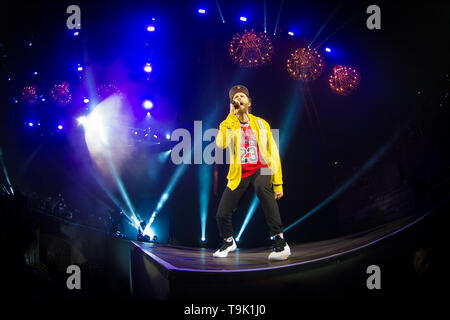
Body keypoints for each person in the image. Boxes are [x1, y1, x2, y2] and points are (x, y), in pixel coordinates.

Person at [213, 85, 290, 261]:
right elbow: (220, 145)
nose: (239, 99)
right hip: (239, 172)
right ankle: (228, 241)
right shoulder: (228, 124)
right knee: (222, 214)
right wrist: (230, 118)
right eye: (235, 97)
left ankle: (280, 242)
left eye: (242, 96)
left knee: (264, 190)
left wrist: (278, 183)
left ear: (249, 102)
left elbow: (274, 154)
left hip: (261, 168)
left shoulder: (262, 124)